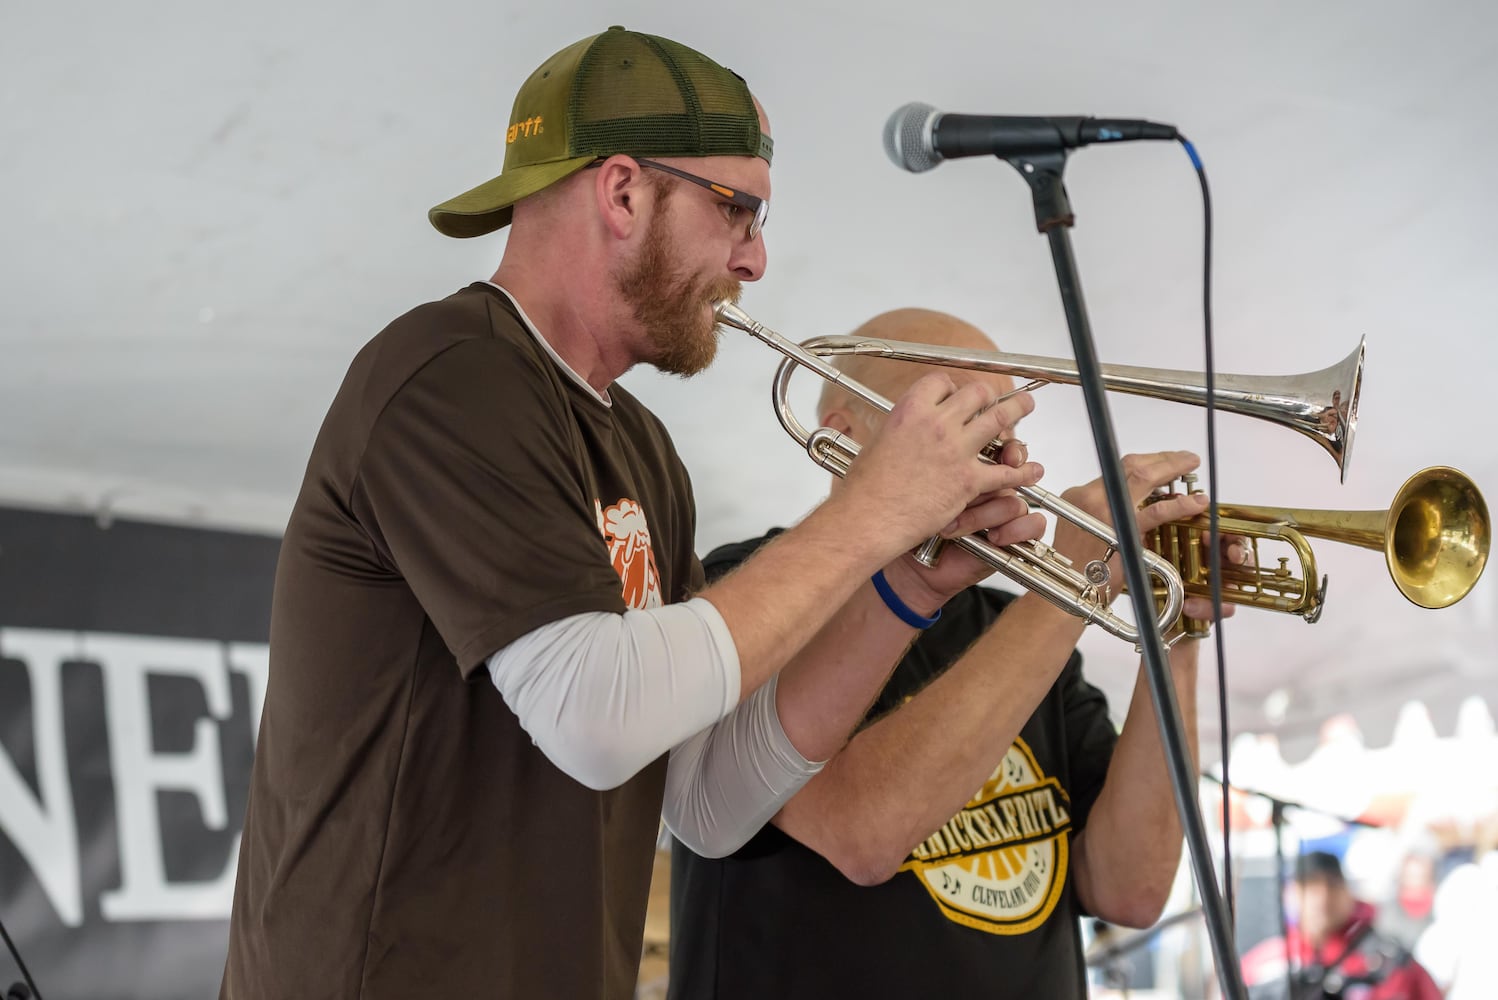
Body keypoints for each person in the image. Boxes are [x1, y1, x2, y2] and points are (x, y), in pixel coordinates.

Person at [218, 27, 1046, 1000]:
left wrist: (901, 586)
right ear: (621, 192)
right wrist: (872, 511)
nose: (756, 260)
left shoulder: (642, 448)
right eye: (738, 210)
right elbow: (596, 716)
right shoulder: (453, 375)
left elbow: (702, 796)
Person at [668, 307, 1236, 999]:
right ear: (841, 436)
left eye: (1007, 431)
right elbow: (862, 835)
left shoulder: (1011, 624)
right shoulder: (747, 590)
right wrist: (1073, 585)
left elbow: (1131, 890)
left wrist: (1174, 631)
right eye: (959, 419)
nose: (1007, 459)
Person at [1242, 851, 1442, 1000]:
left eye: (1332, 885)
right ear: (1291, 893)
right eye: (1310, 886)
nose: (1322, 897)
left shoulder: (1391, 963)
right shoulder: (1263, 964)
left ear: (1348, 893)